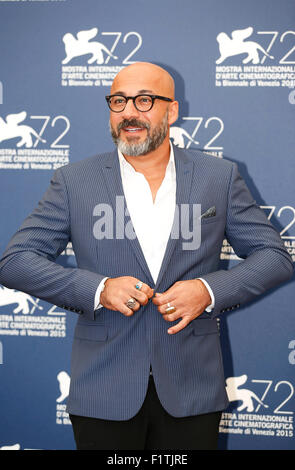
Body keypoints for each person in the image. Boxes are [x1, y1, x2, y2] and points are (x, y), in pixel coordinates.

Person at [0, 62, 293, 450]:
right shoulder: (74, 180)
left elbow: (273, 255)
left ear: (171, 111)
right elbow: (16, 260)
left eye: (144, 100)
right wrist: (99, 288)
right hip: (103, 388)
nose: (129, 113)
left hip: (192, 387)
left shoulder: (218, 176)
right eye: (118, 101)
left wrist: (207, 291)